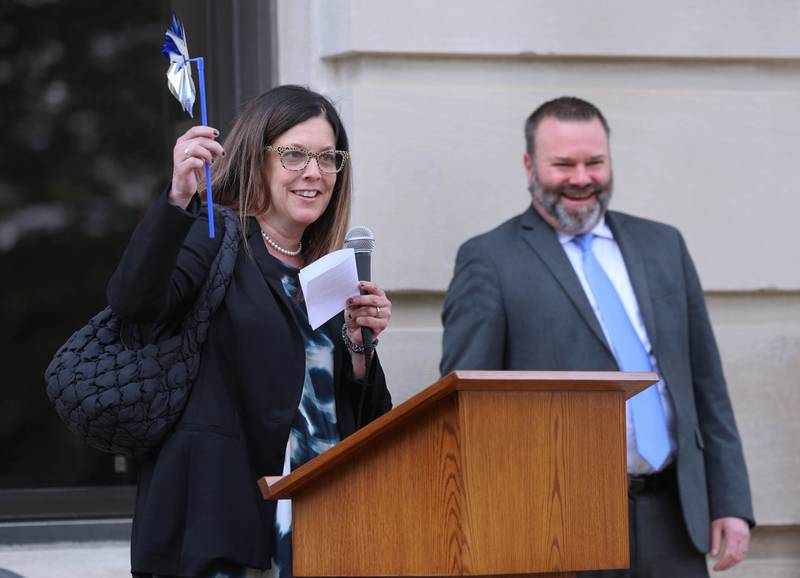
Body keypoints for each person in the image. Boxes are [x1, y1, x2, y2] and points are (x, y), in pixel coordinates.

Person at [440, 96, 753, 577]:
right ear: (529, 164)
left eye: (595, 162)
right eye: (563, 164)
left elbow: (707, 385)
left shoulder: (663, 244)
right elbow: (467, 408)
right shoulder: (489, 260)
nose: (582, 179)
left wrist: (730, 500)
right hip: (559, 527)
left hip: (674, 516)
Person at [108, 85, 393, 578]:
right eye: (294, 154)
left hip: (324, 526)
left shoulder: (327, 271)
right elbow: (135, 305)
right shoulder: (214, 236)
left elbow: (358, 420)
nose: (313, 172)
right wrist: (179, 198)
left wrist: (361, 352)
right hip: (222, 529)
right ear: (256, 158)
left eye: (328, 158)